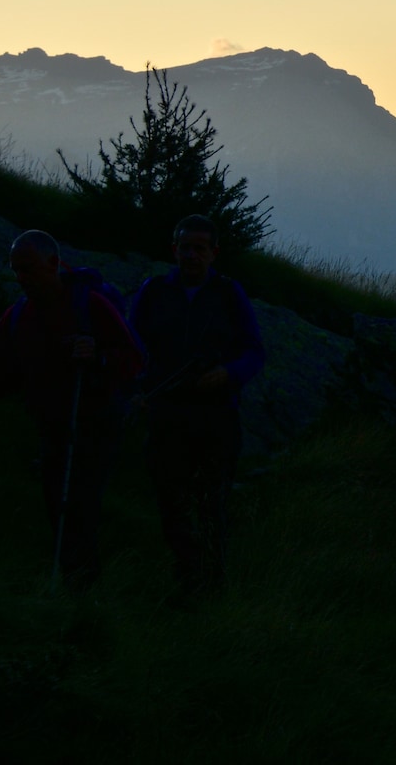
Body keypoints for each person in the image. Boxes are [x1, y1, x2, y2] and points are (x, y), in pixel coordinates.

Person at [0, 230, 144, 588]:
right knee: (59, 505)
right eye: (16, 270)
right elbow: (0, 376)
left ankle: (79, 595)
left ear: (53, 264)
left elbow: (135, 361)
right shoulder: (17, 317)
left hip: (94, 423)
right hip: (52, 426)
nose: (21, 277)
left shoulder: (91, 305)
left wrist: (98, 354)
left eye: (28, 269)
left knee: (76, 507)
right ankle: (77, 595)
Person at [127, 214, 265, 596]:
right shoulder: (153, 291)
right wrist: (134, 389)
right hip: (166, 414)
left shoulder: (228, 293)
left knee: (211, 502)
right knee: (170, 500)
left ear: (213, 253)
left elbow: (255, 351)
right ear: (174, 249)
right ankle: (188, 575)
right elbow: (130, 347)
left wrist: (229, 373)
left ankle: (210, 582)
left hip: (215, 416)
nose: (191, 255)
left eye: (199, 248)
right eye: (185, 247)